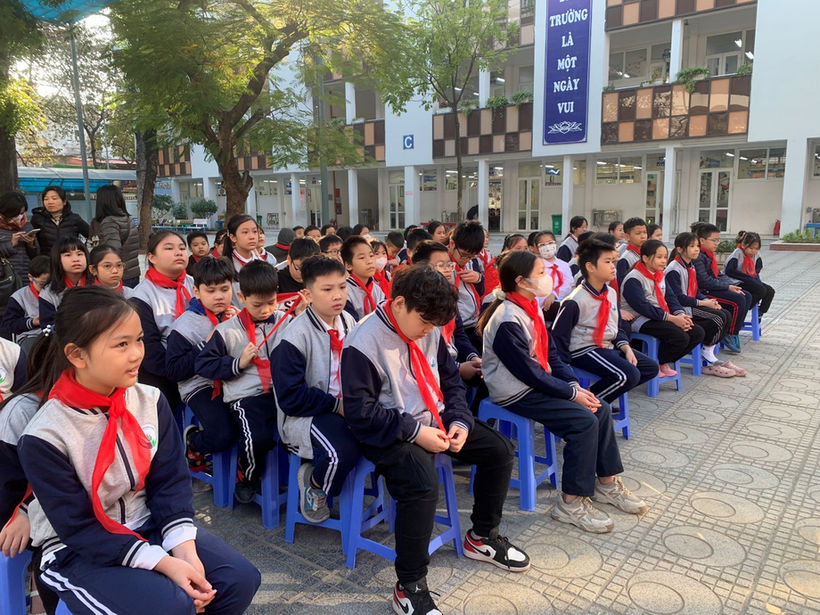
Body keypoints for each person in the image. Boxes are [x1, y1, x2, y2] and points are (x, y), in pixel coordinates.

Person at [17, 287, 261, 614]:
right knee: (172, 606)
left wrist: (184, 551)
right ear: (77, 355)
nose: (136, 354)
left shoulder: (150, 400)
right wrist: (164, 563)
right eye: (121, 344)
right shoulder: (45, 435)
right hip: (77, 550)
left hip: (146, 523)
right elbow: (78, 527)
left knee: (238, 579)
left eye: (140, 340)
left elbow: (169, 482)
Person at [342, 265, 530, 614]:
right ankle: (409, 584)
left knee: (500, 450)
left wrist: (459, 420)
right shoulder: (363, 342)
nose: (429, 331)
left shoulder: (429, 329)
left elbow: (451, 381)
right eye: (425, 323)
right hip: (387, 430)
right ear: (399, 303)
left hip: (434, 416)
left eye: (434, 325)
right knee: (422, 485)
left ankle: (482, 536)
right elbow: (360, 412)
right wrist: (416, 432)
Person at [479, 250, 647, 534]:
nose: (547, 277)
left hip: (536, 382)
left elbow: (552, 356)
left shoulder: (529, 307)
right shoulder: (507, 318)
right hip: (515, 391)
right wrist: (571, 395)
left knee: (599, 407)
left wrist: (573, 385)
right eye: (540, 273)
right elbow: (528, 373)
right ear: (521, 281)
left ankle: (606, 483)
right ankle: (570, 503)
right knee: (583, 422)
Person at [197, 261, 294, 504]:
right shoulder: (226, 331)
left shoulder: (286, 322)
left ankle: (303, 481)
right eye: (257, 305)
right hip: (247, 397)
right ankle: (247, 477)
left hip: (282, 392)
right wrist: (237, 363)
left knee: (308, 425)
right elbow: (204, 365)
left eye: (271, 302)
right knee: (255, 438)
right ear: (241, 297)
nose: (265, 310)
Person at [271, 256, 360, 523]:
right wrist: (336, 405)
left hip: (345, 404)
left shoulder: (349, 321)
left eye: (342, 286)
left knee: (385, 432)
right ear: (308, 295)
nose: (338, 295)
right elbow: (291, 398)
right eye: (327, 289)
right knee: (341, 452)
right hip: (307, 413)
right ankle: (315, 483)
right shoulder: (293, 337)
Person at [552, 239, 658, 401]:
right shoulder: (575, 300)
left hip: (607, 345)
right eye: (607, 262)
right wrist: (566, 374)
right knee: (626, 375)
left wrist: (626, 348)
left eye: (613, 262)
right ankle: (587, 403)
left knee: (650, 368)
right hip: (583, 350)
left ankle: (594, 394)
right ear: (590, 267)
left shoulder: (610, 293)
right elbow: (559, 336)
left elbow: (616, 326)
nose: (613, 266)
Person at [166, 258, 239, 472]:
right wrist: (203, 347)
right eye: (211, 290)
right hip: (199, 385)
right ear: (197, 292)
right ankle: (195, 442)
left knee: (255, 420)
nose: (219, 296)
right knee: (222, 433)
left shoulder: (234, 315)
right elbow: (174, 371)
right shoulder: (184, 326)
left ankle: (243, 472)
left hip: (232, 378)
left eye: (224, 289)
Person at [413, 240, 487, 414]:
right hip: (433, 368)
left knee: (490, 375)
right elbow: (423, 351)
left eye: (449, 265)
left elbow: (459, 335)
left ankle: (476, 417)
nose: (447, 270)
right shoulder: (417, 303)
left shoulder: (449, 295)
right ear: (420, 267)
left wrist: (473, 357)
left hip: (452, 359)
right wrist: (458, 368)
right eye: (440, 265)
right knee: (457, 390)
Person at [620, 240, 705, 376]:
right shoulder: (634, 278)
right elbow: (643, 307)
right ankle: (656, 364)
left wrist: (680, 314)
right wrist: (672, 319)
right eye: (659, 257)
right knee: (679, 336)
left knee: (697, 332)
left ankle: (662, 361)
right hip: (639, 319)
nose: (664, 261)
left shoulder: (660, 274)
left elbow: (671, 297)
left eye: (665, 257)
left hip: (660, 316)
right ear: (645, 258)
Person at [665, 233, 744, 377]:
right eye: (692, 246)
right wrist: (703, 303)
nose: (696, 249)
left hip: (692, 303)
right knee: (718, 318)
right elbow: (678, 298)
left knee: (725, 313)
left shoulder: (691, 266)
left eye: (697, 246)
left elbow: (696, 291)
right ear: (680, 249)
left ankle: (708, 350)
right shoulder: (673, 269)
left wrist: (709, 302)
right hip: (683, 308)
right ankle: (706, 353)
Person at [131, 231, 193, 411]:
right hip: (163, 368)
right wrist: (179, 369)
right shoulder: (141, 296)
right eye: (169, 248)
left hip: (198, 358)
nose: (178, 252)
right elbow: (149, 346)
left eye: (182, 248)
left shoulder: (196, 284)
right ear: (152, 257)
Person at [691, 222, 752, 353]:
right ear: (702, 240)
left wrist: (731, 284)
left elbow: (718, 274)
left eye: (718, 240)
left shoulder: (708, 255)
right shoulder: (698, 257)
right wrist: (727, 287)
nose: (717, 243)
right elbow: (704, 281)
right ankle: (730, 333)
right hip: (704, 292)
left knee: (746, 294)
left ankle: (734, 329)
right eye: (714, 240)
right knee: (738, 300)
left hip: (712, 288)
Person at [39, 236, 94, 329]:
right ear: (57, 260)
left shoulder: (98, 284)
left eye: (79, 254)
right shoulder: (48, 293)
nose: (76, 259)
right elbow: (47, 327)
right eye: (68, 255)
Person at [92, 184, 141, 287]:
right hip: (133, 272)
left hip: (119, 276)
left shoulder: (109, 221)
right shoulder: (128, 218)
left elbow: (113, 249)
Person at [448, 221, 485, 350]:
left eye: (472, 256)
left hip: (474, 322)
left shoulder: (473, 261)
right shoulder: (443, 263)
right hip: (456, 327)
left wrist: (478, 279)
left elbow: (480, 291)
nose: (467, 259)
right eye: (464, 255)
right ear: (452, 244)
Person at [2, 255, 49, 352]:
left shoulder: (59, 293)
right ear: (30, 277)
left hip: (55, 333)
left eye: (50, 283)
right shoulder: (19, 297)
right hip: (31, 336)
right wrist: (32, 322)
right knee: (33, 349)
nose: (46, 288)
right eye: (42, 284)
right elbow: (8, 324)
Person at [725, 230, 775, 319]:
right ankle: (742, 310)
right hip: (736, 282)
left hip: (749, 280)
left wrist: (753, 278)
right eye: (751, 248)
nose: (754, 251)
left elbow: (758, 267)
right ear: (743, 245)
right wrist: (748, 278)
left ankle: (760, 313)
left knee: (770, 291)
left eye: (756, 249)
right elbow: (730, 271)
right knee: (761, 290)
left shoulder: (756, 254)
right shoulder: (737, 253)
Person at [30, 185, 89, 257]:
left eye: (54, 198)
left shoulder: (74, 218)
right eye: (46, 199)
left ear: (64, 202)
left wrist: (82, 250)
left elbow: (91, 234)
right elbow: (33, 243)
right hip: (47, 260)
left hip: (69, 259)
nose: (50, 202)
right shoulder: (37, 219)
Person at [530, 230, 573, 322]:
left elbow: (568, 284)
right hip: (541, 306)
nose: (547, 247)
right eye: (542, 245)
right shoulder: (535, 266)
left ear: (555, 243)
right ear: (537, 248)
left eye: (550, 243)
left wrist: (554, 295)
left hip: (560, 301)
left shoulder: (564, 265)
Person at [343, 235, 386, 320]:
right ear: (348, 265)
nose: (369, 261)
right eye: (362, 258)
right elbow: (351, 324)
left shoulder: (377, 290)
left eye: (371, 256)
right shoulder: (345, 292)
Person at [0, 191, 38, 280]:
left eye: (22, 213)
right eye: (17, 213)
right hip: (5, 279)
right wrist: (11, 244)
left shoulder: (27, 226)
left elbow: (36, 256)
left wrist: (31, 244)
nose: (20, 216)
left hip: (25, 276)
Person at [616, 217, 648, 288]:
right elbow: (623, 285)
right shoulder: (625, 259)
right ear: (627, 237)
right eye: (638, 233)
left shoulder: (647, 254)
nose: (643, 236)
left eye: (645, 232)